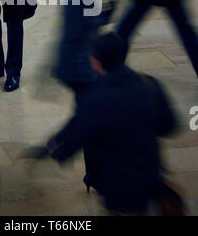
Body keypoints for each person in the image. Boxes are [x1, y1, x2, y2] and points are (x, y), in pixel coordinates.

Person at [26, 32, 177, 215]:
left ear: (96, 61)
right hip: (150, 176)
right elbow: (168, 126)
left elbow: (78, 136)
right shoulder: (149, 84)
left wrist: (54, 152)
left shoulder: (96, 98)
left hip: (119, 187)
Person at [53, 0, 117, 104]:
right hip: (78, 66)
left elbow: (90, 24)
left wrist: (105, 14)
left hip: (80, 64)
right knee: (89, 103)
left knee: (86, 104)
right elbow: (83, 31)